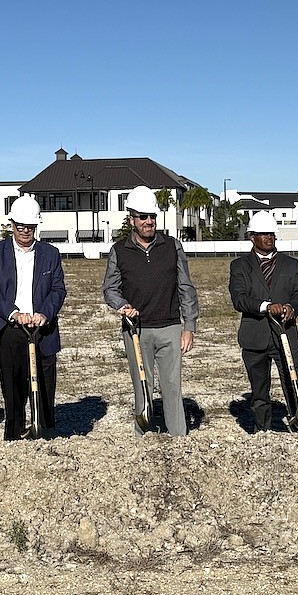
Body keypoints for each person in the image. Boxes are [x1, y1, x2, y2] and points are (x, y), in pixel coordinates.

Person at [103, 185, 199, 436]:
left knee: (172, 386)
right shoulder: (119, 251)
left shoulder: (172, 246)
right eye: (143, 217)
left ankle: (178, 437)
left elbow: (186, 287)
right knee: (142, 386)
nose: (149, 222)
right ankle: (142, 437)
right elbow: (110, 289)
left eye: (152, 217)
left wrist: (189, 327)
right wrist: (121, 305)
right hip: (136, 331)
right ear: (132, 219)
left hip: (169, 327)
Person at [0, 196, 66, 440]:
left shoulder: (50, 253)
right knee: (13, 383)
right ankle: (15, 429)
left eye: (30, 226)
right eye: (20, 226)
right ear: (12, 225)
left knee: (45, 381)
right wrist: (14, 313)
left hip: (42, 326)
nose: (25, 231)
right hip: (10, 326)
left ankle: (45, 429)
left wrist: (45, 314)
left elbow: (58, 290)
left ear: (36, 226)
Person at [228, 210, 298, 432]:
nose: (269, 238)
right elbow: (239, 299)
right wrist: (266, 307)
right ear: (252, 237)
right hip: (254, 337)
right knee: (259, 390)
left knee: (295, 381)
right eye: (263, 234)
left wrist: (292, 307)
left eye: (271, 234)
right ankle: (263, 431)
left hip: (285, 335)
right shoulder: (239, 266)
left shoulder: (291, 264)